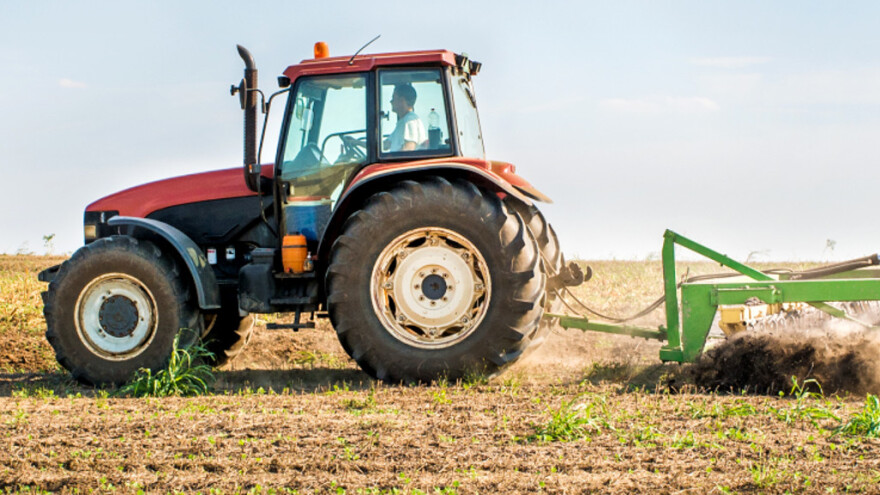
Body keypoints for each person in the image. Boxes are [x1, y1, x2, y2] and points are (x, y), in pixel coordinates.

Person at [388, 83, 426, 152]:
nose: (391, 101)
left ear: (401, 100)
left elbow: (409, 148)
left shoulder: (410, 120)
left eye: (393, 98)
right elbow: (387, 144)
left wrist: (390, 157)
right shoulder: (402, 122)